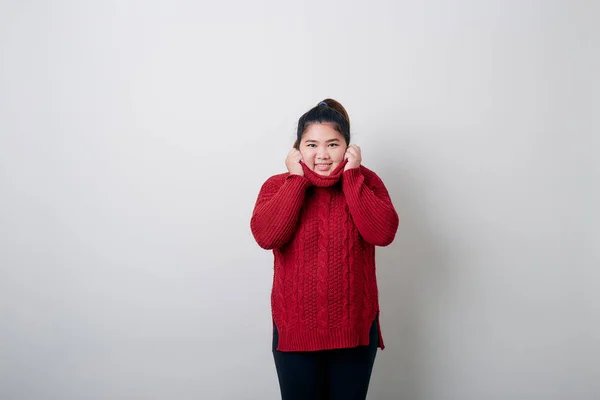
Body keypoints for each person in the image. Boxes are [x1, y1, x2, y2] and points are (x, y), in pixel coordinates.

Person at [250, 98, 399, 400]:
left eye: (333, 144)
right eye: (311, 144)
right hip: (295, 334)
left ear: (348, 148)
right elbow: (267, 237)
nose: (322, 154)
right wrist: (295, 181)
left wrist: (353, 177)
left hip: (354, 332)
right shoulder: (277, 186)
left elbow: (382, 233)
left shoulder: (366, 182)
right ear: (297, 148)